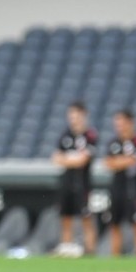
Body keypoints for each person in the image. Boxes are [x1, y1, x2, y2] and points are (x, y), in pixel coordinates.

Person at [50, 101, 98, 256]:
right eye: (71, 115)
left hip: (82, 183)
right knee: (66, 217)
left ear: (83, 115)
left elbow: (83, 160)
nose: (73, 119)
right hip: (66, 182)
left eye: (76, 115)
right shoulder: (66, 135)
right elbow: (56, 158)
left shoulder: (89, 135)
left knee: (86, 217)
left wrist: (68, 159)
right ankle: (66, 246)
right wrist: (72, 159)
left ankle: (90, 249)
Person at [104, 109, 136, 257]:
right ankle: (115, 257)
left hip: (133, 190)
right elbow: (108, 163)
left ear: (130, 123)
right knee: (114, 225)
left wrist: (119, 161)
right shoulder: (114, 143)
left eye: (121, 123)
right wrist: (124, 160)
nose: (119, 126)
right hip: (116, 189)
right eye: (117, 123)